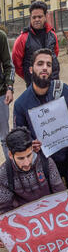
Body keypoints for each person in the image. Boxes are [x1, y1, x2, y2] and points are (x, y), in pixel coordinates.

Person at [0, 128, 68, 247]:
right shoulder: (3, 174)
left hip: (50, 215)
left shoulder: (46, 162)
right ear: (10, 155)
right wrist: (4, 232)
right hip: (26, 221)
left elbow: (60, 192)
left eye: (29, 155)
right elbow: (4, 209)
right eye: (21, 158)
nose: (27, 163)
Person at [13, 48, 68, 179]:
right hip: (41, 161)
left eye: (48, 64)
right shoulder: (20, 104)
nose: (45, 68)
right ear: (31, 69)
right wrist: (30, 143)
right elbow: (19, 135)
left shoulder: (64, 90)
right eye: (40, 64)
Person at [12, 1, 59, 87]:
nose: (37, 19)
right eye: (34, 17)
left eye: (40, 17)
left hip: (53, 82)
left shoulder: (52, 34)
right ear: (30, 18)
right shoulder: (22, 38)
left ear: (45, 16)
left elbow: (55, 53)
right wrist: (28, 76)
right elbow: (16, 63)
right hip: (33, 85)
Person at [0, 29, 14, 159]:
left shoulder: (1, 36)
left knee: (4, 137)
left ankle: (11, 172)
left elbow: (8, 65)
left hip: (0, 95)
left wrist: (9, 88)